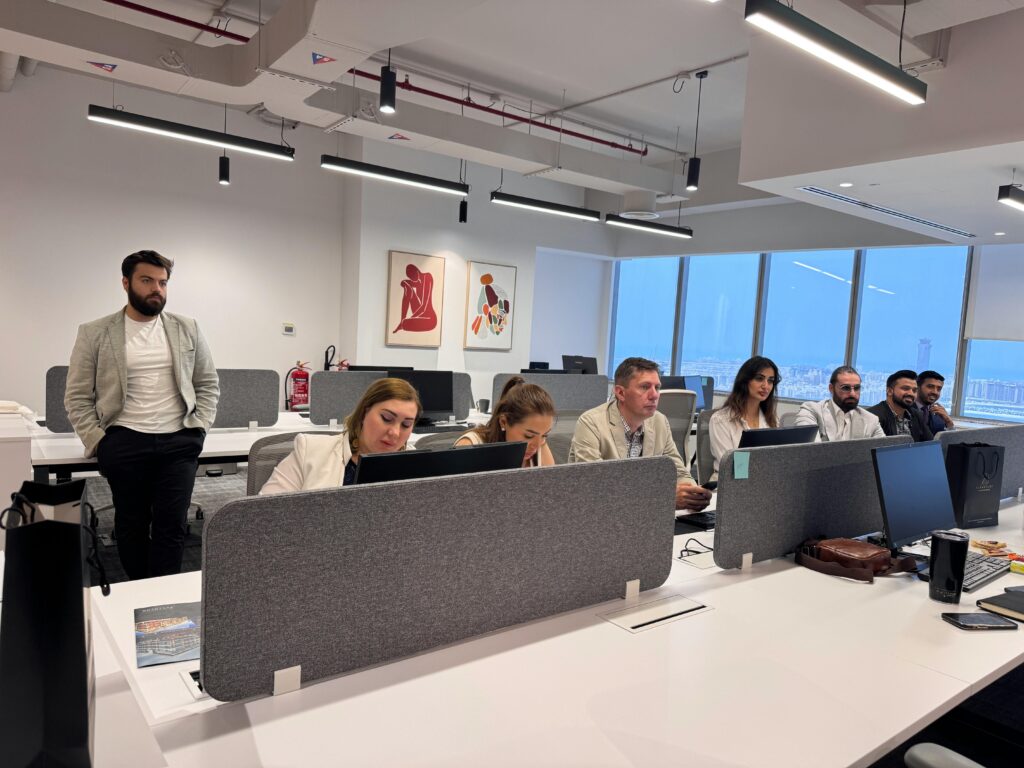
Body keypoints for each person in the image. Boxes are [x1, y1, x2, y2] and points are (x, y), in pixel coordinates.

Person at [64, 250, 219, 580]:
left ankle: (164, 596)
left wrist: (200, 427)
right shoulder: (95, 332)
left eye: (162, 282)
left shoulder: (187, 327)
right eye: (147, 280)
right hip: (125, 440)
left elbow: (207, 383)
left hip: (179, 440)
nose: (156, 289)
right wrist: (99, 441)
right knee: (131, 525)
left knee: (172, 525)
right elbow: (77, 396)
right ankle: (137, 590)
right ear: (126, 283)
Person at [568, 357, 711, 511]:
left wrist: (692, 493)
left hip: (646, 515)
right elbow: (595, 486)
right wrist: (663, 498)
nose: (654, 395)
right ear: (620, 393)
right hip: (599, 514)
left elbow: (678, 472)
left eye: (657, 387)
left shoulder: (659, 421)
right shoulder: (591, 423)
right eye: (645, 387)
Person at [260, 378, 421, 494]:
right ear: (364, 413)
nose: (395, 432)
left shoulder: (417, 465)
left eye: (406, 424)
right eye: (386, 418)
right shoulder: (311, 450)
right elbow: (264, 513)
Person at [454, 376, 555, 467]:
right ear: (503, 422)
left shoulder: (540, 445)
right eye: (528, 436)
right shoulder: (469, 447)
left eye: (544, 435)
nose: (537, 445)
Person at [708, 356, 780, 475]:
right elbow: (733, 467)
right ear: (745, 381)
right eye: (759, 379)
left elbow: (776, 460)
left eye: (770, 381)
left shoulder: (772, 420)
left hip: (764, 480)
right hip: (730, 482)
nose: (766, 386)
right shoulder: (721, 420)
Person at [794, 365, 885, 441]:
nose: (852, 393)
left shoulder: (871, 420)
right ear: (831, 388)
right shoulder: (811, 410)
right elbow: (810, 449)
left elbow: (882, 452)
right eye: (845, 388)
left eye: (857, 388)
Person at [866, 369, 934, 442]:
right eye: (905, 388)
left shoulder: (917, 415)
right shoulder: (873, 417)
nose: (911, 393)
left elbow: (931, 444)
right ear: (889, 391)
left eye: (914, 390)